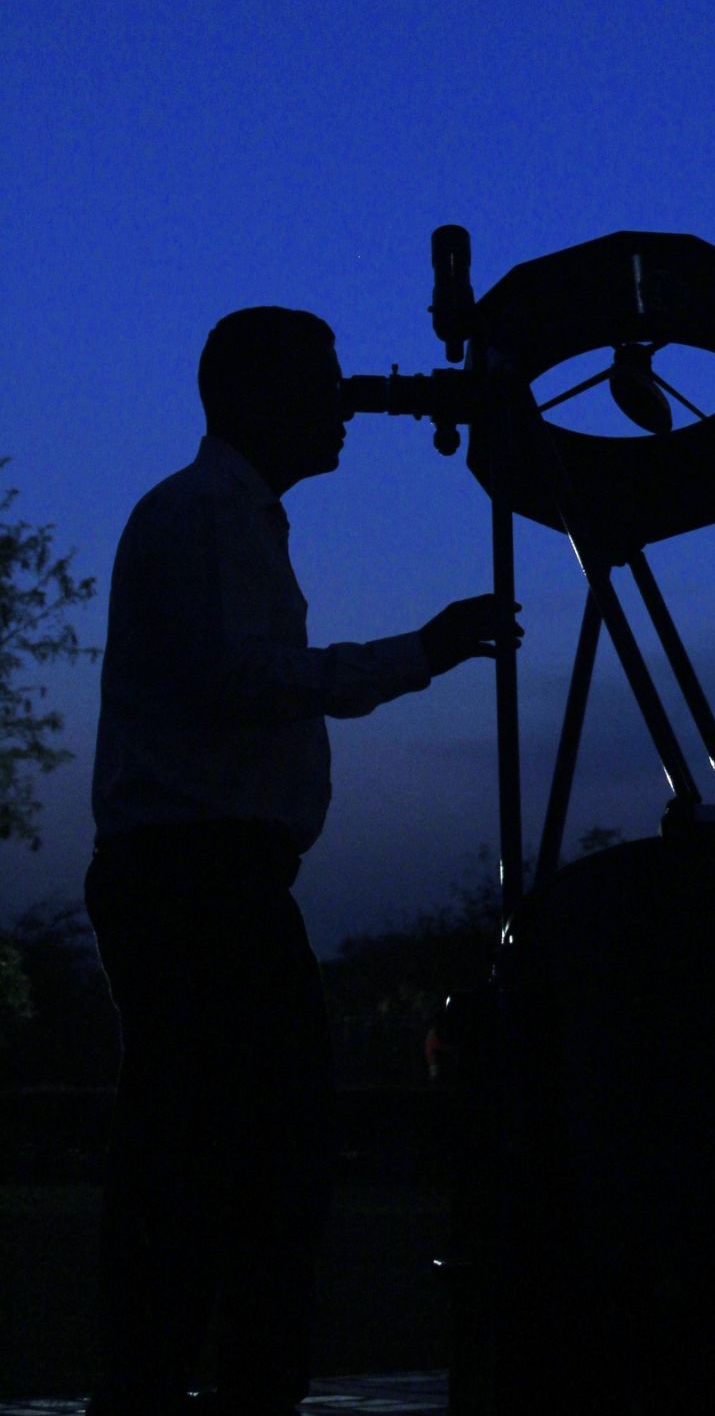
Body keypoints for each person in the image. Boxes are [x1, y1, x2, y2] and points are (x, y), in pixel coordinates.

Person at [85, 306, 517, 1416]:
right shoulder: (205, 516)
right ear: (252, 395)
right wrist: (416, 654)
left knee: (207, 1161)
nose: (346, 405)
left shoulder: (225, 517)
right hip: (199, 883)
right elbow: (239, 678)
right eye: (323, 384)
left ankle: (174, 1383)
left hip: (200, 878)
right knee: (250, 1166)